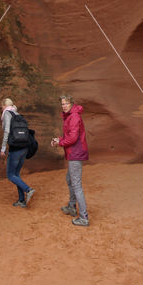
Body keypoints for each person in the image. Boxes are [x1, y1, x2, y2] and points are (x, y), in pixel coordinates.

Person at [51, 94, 89, 226]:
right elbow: (69, 136)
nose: (64, 106)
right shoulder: (69, 116)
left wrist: (59, 143)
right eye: (62, 104)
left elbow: (73, 139)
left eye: (66, 103)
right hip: (73, 153)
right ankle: (72, 207)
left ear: (71, 104)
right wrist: (59, 140)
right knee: (70, 179)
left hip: (76, 153)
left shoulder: (74, 117)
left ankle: (84, 217)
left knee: (76, 185)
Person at [0, 98, 35, 207]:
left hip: (15, 149)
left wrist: (3, 148)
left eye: (1, 106)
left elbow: (6, 132)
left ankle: (28, 190)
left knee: (10, 175)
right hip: (24, 148)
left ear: (4, 106)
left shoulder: (7, 114)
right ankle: (21, 200)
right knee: (16, 175)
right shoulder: (18, 114)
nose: (1, 109)